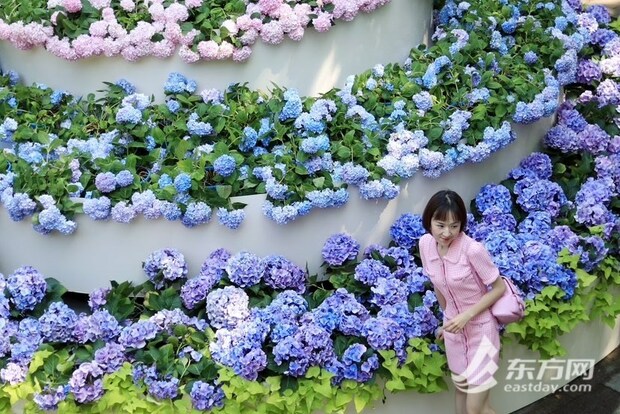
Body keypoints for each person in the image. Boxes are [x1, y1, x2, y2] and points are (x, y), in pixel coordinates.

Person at [418, 189, 506, 414]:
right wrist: (446, 319)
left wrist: (465, 316)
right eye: (440, 225)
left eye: (454, 226)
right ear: (429, 221)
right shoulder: (426, 244)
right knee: (461, 391)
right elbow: (439, 286)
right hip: (454, 334)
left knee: (477, 408)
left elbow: (499, 288)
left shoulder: (473, 250)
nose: (447, 233)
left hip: (481, 332)